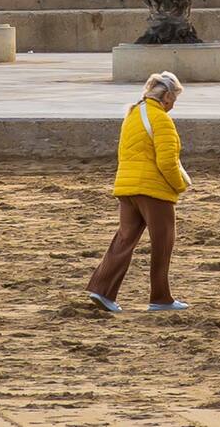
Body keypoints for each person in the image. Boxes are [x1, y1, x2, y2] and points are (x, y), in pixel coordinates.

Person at [86, 71, 190, 313]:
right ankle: (161, 298)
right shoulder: (161, 119)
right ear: (166, 96)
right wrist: (179, 185)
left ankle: (102, 290)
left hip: (127, 187)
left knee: (124, 239)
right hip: (153, 190)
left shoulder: (133, 114)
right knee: (163, 243)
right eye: (174, 99)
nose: (173, 105)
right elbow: (167, 162)